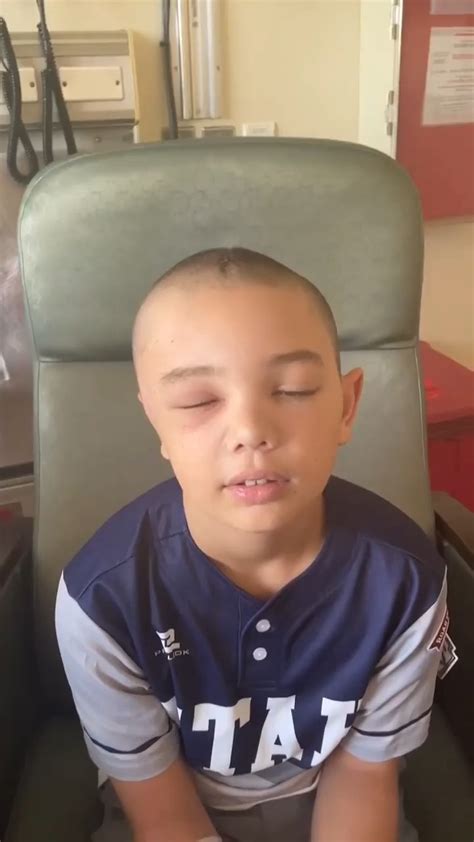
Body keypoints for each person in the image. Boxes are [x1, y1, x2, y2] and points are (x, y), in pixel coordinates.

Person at [56, 247, 450, 842]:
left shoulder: (404, 582)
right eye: (199, 401)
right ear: (155, 421)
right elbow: (162, 811)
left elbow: (363, 776)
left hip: (334, 798)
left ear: (346, 406)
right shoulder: (101, 599)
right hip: (176, 807)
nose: (250, 432)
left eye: (292, 390)